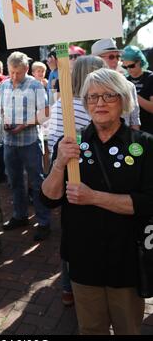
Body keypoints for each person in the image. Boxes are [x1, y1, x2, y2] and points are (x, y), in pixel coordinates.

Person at [41, 68, 153, 335]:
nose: (100, 103)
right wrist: (58, 164)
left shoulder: (145, 145)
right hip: (83, 258)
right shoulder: (71, 142)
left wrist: (93, 197)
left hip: (126, 259)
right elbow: (49, 198)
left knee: (128, 328)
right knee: (90, 328)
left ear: (124, 100)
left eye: (108, 96)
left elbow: (148, 203)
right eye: (92, 97)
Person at [48, 55, 105, 306]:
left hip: (70, 176)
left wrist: (54, 169)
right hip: (90, 176)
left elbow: (52, 142)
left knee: (71, 231)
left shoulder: (64, 103)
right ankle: (75, 286)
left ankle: (67, 287)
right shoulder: (91, 104)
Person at [0, 51, 51, 241]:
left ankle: (44, 222)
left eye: (18, 73)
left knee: (37, 182)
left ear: (26, 69)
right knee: (14, 182)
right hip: (9, 142)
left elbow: (45, 113)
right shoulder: (3, 85)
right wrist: (3, 120)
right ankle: (20, 216)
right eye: (11, 72)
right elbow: (0, 109)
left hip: (30, 141)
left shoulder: (36, 85)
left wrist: (24, 124)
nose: (14, 77)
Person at [91, 38, 140, 130]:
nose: (116, 60)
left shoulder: (129, 86)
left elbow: (134, 120)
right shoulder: (87, 87)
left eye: (118, 57)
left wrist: (134, 142)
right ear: (97, 59)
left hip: (124, 141)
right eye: (111, 57)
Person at [121, 45, 153, 134]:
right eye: (125, 67)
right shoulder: (124, 79)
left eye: (131, 66)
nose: (128, 69)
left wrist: (133, 93)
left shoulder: (150, 78)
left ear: (139, 62)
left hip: (148, 130)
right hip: (130, 130)